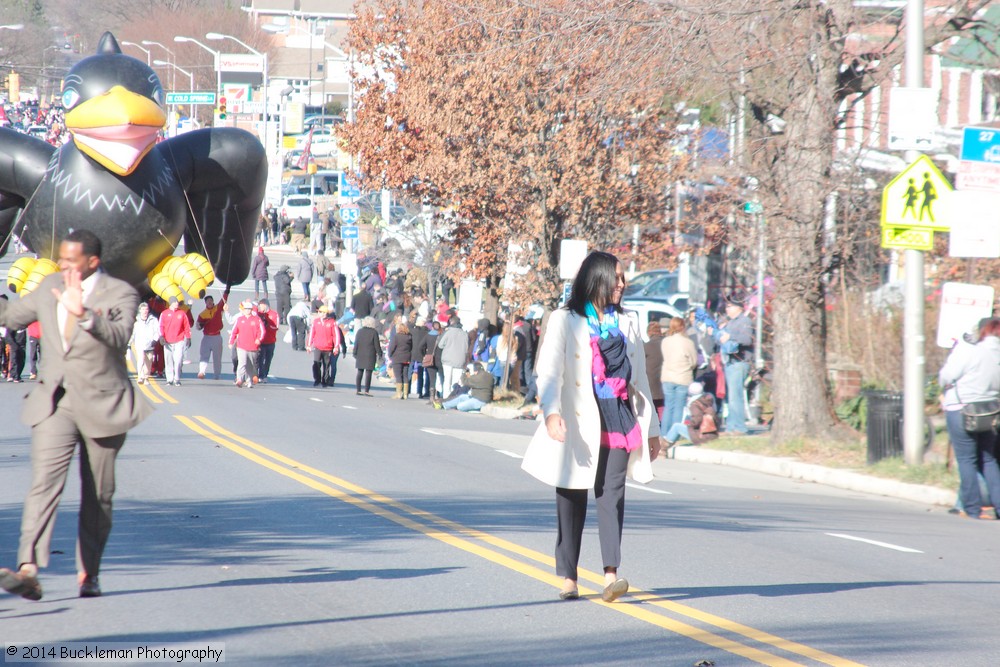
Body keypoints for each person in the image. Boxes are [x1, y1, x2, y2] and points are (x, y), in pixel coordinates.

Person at [0, 229, 153, 601]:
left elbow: (118, 336)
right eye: (61, 258)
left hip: (104, 403)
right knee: (43, 484)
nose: (63, 265)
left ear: (92, 262)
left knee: (98, 494)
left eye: (71, 260)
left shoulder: (120, 293)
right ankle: (28, 570)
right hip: (55, 401)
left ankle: (90, 574)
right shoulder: (49, 284)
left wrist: (82, 313)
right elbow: (13, 317)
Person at [520, 251, 660, 603]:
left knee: (612, 494)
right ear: (598, 279)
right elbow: (550, 371)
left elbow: (640, 378)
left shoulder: (629, 321)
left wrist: (653, 429)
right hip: (579, 416)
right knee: (571, 494)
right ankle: (568, 575)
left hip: (618, 415)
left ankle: (611, 574)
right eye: (618, 277)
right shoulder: (565, 319)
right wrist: (551, 412)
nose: (623, 284)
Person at [939, 318, 1000, 519]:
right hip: (991, 411)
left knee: (966, 460)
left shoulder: (970, 350)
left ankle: (972, 508)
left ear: (983, 331)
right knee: (989, 459)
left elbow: (947, 376)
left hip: (962, 409)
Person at [714, 296, 753, 434]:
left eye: (730, 306)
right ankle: (731, 426)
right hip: (729, 361)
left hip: (739, 361)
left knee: (735, 396)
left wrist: (730, 337)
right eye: (727, 306)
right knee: (730, 396)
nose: (727, 309)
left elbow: (747, 339)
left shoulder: (745, 321)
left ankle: (739, 427)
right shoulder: (729, 322)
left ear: (739, 308)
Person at [660, 316, 697, 437]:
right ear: (683, 327)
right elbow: (694, 362)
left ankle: (663, 433)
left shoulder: (665, 341)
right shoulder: (688, 342)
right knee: (678, 407)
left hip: (667, 376)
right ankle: (673, 435)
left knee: (668, 406)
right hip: (683, 377)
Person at [660, 382, 719, 449]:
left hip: (701, 436)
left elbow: (697, 419)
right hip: (712, 434)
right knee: (679, 427)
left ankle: (663, 449)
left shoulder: (695, 404)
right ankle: (667, 444)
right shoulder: (707, 400)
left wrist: (690, 426)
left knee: (676, 426)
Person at [229, 300, 264, 388]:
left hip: (253, 346)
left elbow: (262, 331)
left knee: (250, 365)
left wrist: (258, 339)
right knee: (242, 363)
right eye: (246, 309)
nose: (247, 311)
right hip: (241, 346)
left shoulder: (257, 320)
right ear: (243, 310)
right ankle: (239, 379)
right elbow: (234, 331)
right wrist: (231, 342)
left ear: (251, 310)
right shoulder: (240, 320)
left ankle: (249, 381)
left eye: (249, 309)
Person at [196, 291, 229, 380]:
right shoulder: (202, 314)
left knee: (217, 357)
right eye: (207, 301)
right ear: (205, 303)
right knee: (204, 355)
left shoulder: (217, 309)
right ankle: (202, 372)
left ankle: (217, 374)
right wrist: (200, 326)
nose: (209, 302)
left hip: (216, 336)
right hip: (206, 337)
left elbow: (223, 300)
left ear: (213, 301)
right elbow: (198, 326)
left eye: (211, 301)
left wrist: (227, 291)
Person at [307, 305, 343, 387]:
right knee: (316, 363)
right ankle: (317, 379)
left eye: (323, 312)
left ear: (326, 313)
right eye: (320, 312)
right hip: (318, 347)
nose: (321, 314)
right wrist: (309, 345)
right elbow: (312, 333)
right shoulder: (316, 322)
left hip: (328, 348)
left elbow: (336, 335)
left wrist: (336, 347)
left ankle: (325, 381)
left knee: (326, 365)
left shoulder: (332, 322)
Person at [159, 296, 191, 386]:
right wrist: (161, 336)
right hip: (167, 341)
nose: (177, 303)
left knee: (178, 359)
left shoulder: (182, 313)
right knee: (168, 360)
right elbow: (161, 326)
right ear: (171, 303)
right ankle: (169, 379)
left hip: (179, 340)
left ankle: (177, 378)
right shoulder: (164, 314)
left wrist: (188, 337)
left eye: (177, 302)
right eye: (175, 302)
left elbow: (186, 326)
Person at [437, 315, 469, 397]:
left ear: (451, 322)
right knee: (456, 381)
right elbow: (466, 348)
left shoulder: (448, 332)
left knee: (447, 379)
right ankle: (454, 397)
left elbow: (440, 345)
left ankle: (446, 397)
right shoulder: (464, 334)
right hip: (460, 360)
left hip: (447, 359)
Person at [130, 302, 160, 384]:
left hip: (150, 344)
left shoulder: (153, 320)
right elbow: (132, 332)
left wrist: (155, 339)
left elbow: (157, 331)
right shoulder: (136, 321)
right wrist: (129, 343)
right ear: (140, 310)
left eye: (146, 309)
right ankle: (140, 376)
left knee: (149, 361)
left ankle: (146, 377)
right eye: (143, 309)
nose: (145, 311)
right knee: (141, 359)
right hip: (140, 343)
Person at [353, 316, 382, 396]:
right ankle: (366, 391)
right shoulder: (374, 332)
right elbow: (377, 345)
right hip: (370, 354)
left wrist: (354, 352)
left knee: (360, 371)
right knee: (368, 373)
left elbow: (356, 343)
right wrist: (380, 353)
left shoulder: (359, 331)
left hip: (360, 354)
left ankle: (358, 390)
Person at [644, 321, 665, 422]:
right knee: (663, 407)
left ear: (649, 332)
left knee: (653, 407)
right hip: (665, 379)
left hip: (651, 381)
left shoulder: (646, 347)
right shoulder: (666, 344)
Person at [387, 320, 413, 399]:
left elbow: (391, 347)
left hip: (397, 357)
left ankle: (399, 393)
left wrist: (390, 355)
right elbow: (411, 347)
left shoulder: (396, 337)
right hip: (407, 357)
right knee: (405, 375)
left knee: (398, 375)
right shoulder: (409, 337)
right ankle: (405, 394)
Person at [256, 299, 280, 383]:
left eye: (262, 305)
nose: (260, 307)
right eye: (259, 305)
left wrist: (268, 325)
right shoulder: (259, 314)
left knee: (268, 359)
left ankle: (265, 374)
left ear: (266, 305)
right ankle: (260, 375)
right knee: (260, 359)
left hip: (270, 341)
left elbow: (276, 327)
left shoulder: (274, 314)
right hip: (261, 341)